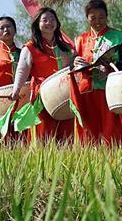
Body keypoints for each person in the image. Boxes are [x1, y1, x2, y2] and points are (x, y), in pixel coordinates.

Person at [10, 7, 75, 141]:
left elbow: (71, 69)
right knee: (44, 133)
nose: (49, 23)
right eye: (45, 20)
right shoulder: (30, 47)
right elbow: (22, 70)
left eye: (52, 19)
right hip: (42, 96)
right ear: (37, 24)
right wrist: (16, 89)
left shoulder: (65, 48)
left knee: (66, 134)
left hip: (64, 96)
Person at [71, 0, 122, 144]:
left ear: (107, 16)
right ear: (87, 19)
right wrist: (75, 62)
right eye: (93, 18)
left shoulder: (119, 37)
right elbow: (71, 66)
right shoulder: (80, 39)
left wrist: (111, 68)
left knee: (112, 131)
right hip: (86, 93)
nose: (97, 21)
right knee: (89, 134)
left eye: (101, 17)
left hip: (110, 91)